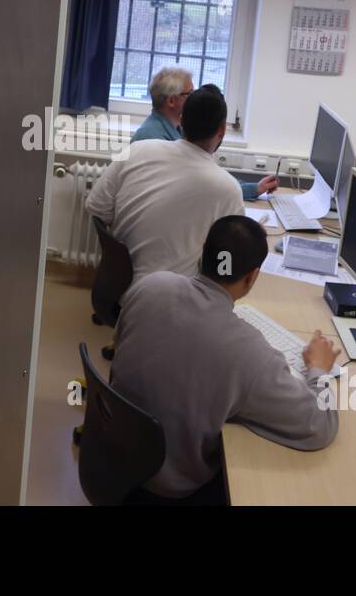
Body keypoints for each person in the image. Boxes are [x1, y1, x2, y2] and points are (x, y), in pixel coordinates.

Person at [110, 215, 340, 502]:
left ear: (204, 249)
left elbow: (121, 347)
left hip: (113, 456)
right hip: (168, 490)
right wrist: (320, 370)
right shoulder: (250, 352)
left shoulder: (149, 286)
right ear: (252, 276)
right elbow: (320, 425)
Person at [86, 85, 244, 281]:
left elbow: (95, 206)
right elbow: (226, 262)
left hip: (115, 286)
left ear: (182, 119)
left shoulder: (137, 149)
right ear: (222, 131)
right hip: (168, 301)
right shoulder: (228, 188)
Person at [130, 67, 276, 201]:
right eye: (189, 93)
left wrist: (253, 187)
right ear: (171, 101)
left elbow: (208, 172)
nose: (195, 97)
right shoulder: (150, 138)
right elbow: (198, 181)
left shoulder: (179, 129)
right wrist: (252, 189)